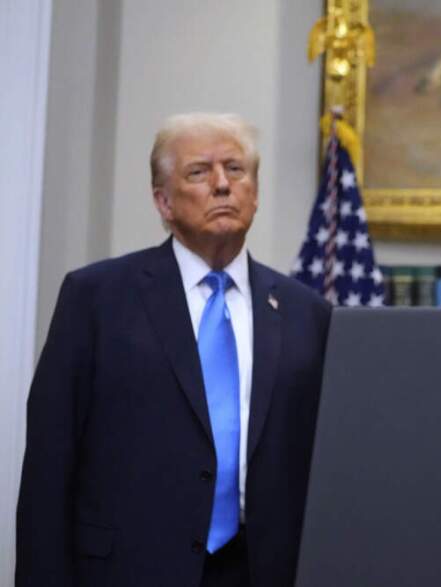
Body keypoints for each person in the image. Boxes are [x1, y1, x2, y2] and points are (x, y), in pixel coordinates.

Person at [16, 113, 331, 587]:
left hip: (261, 570)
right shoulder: (96, 298)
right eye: (199, 172)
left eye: (236, 169)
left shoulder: (307, 312)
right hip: (130, 568)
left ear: (255, 193)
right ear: (163, 201)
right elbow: (50, 462)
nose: (222, 184)